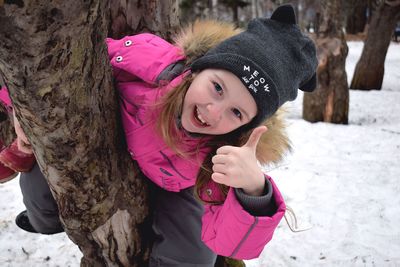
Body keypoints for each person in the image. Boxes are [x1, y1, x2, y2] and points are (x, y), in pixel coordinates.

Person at [1, 4, 318, 266]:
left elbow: (235, 243)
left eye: (236, 113)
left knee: (194, 256)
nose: (213, 111)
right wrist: (19, 109)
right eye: (217, 88)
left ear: (245, 125)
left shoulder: (224, 150)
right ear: (197, 69)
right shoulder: (149, 60)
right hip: (112, 142)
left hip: (178, 182)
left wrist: (253, 189)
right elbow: (68, 71)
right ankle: (44, 221)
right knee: (44, 189)